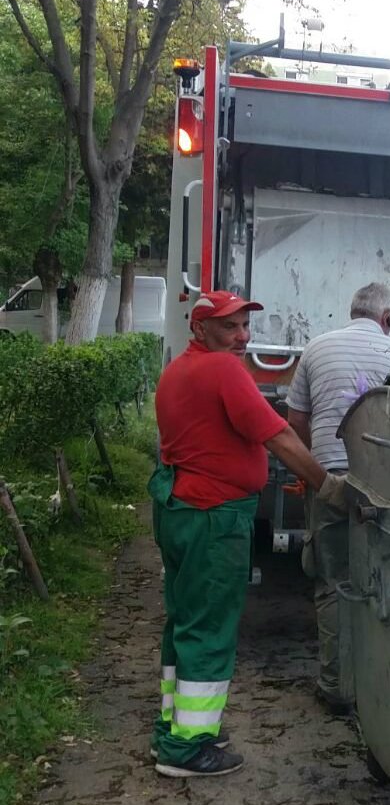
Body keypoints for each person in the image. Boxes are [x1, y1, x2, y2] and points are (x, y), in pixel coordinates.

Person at [151, 291, 345, 777]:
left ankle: (175, 730)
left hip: (181, 510)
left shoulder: (179, 370)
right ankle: (188, 750)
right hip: (214, 516)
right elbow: (277, 434)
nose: (243, 336)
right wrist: (327, 485)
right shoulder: (224, 370)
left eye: (244, 325)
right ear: (201, 330)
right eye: (229, 327)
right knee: (209, 629)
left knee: (185, 622)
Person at [286, 283, 390, 713]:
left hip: (330, 477)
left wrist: (312, 472)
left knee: (334, 579)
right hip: (387, 486)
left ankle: (338, 687)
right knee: (388, 582)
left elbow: (296, 420)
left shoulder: (316, 347)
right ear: (387, 320)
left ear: (351, 311)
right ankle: (387, 683)